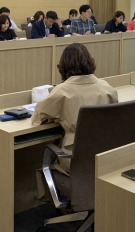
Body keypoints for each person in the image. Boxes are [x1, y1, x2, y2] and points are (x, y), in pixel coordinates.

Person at [32, 43, 118, 175]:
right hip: (105, 155)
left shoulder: (62, 91)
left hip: (76, 159)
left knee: (44, 167)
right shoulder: (106, 87)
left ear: (63, 66)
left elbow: (38, 118)